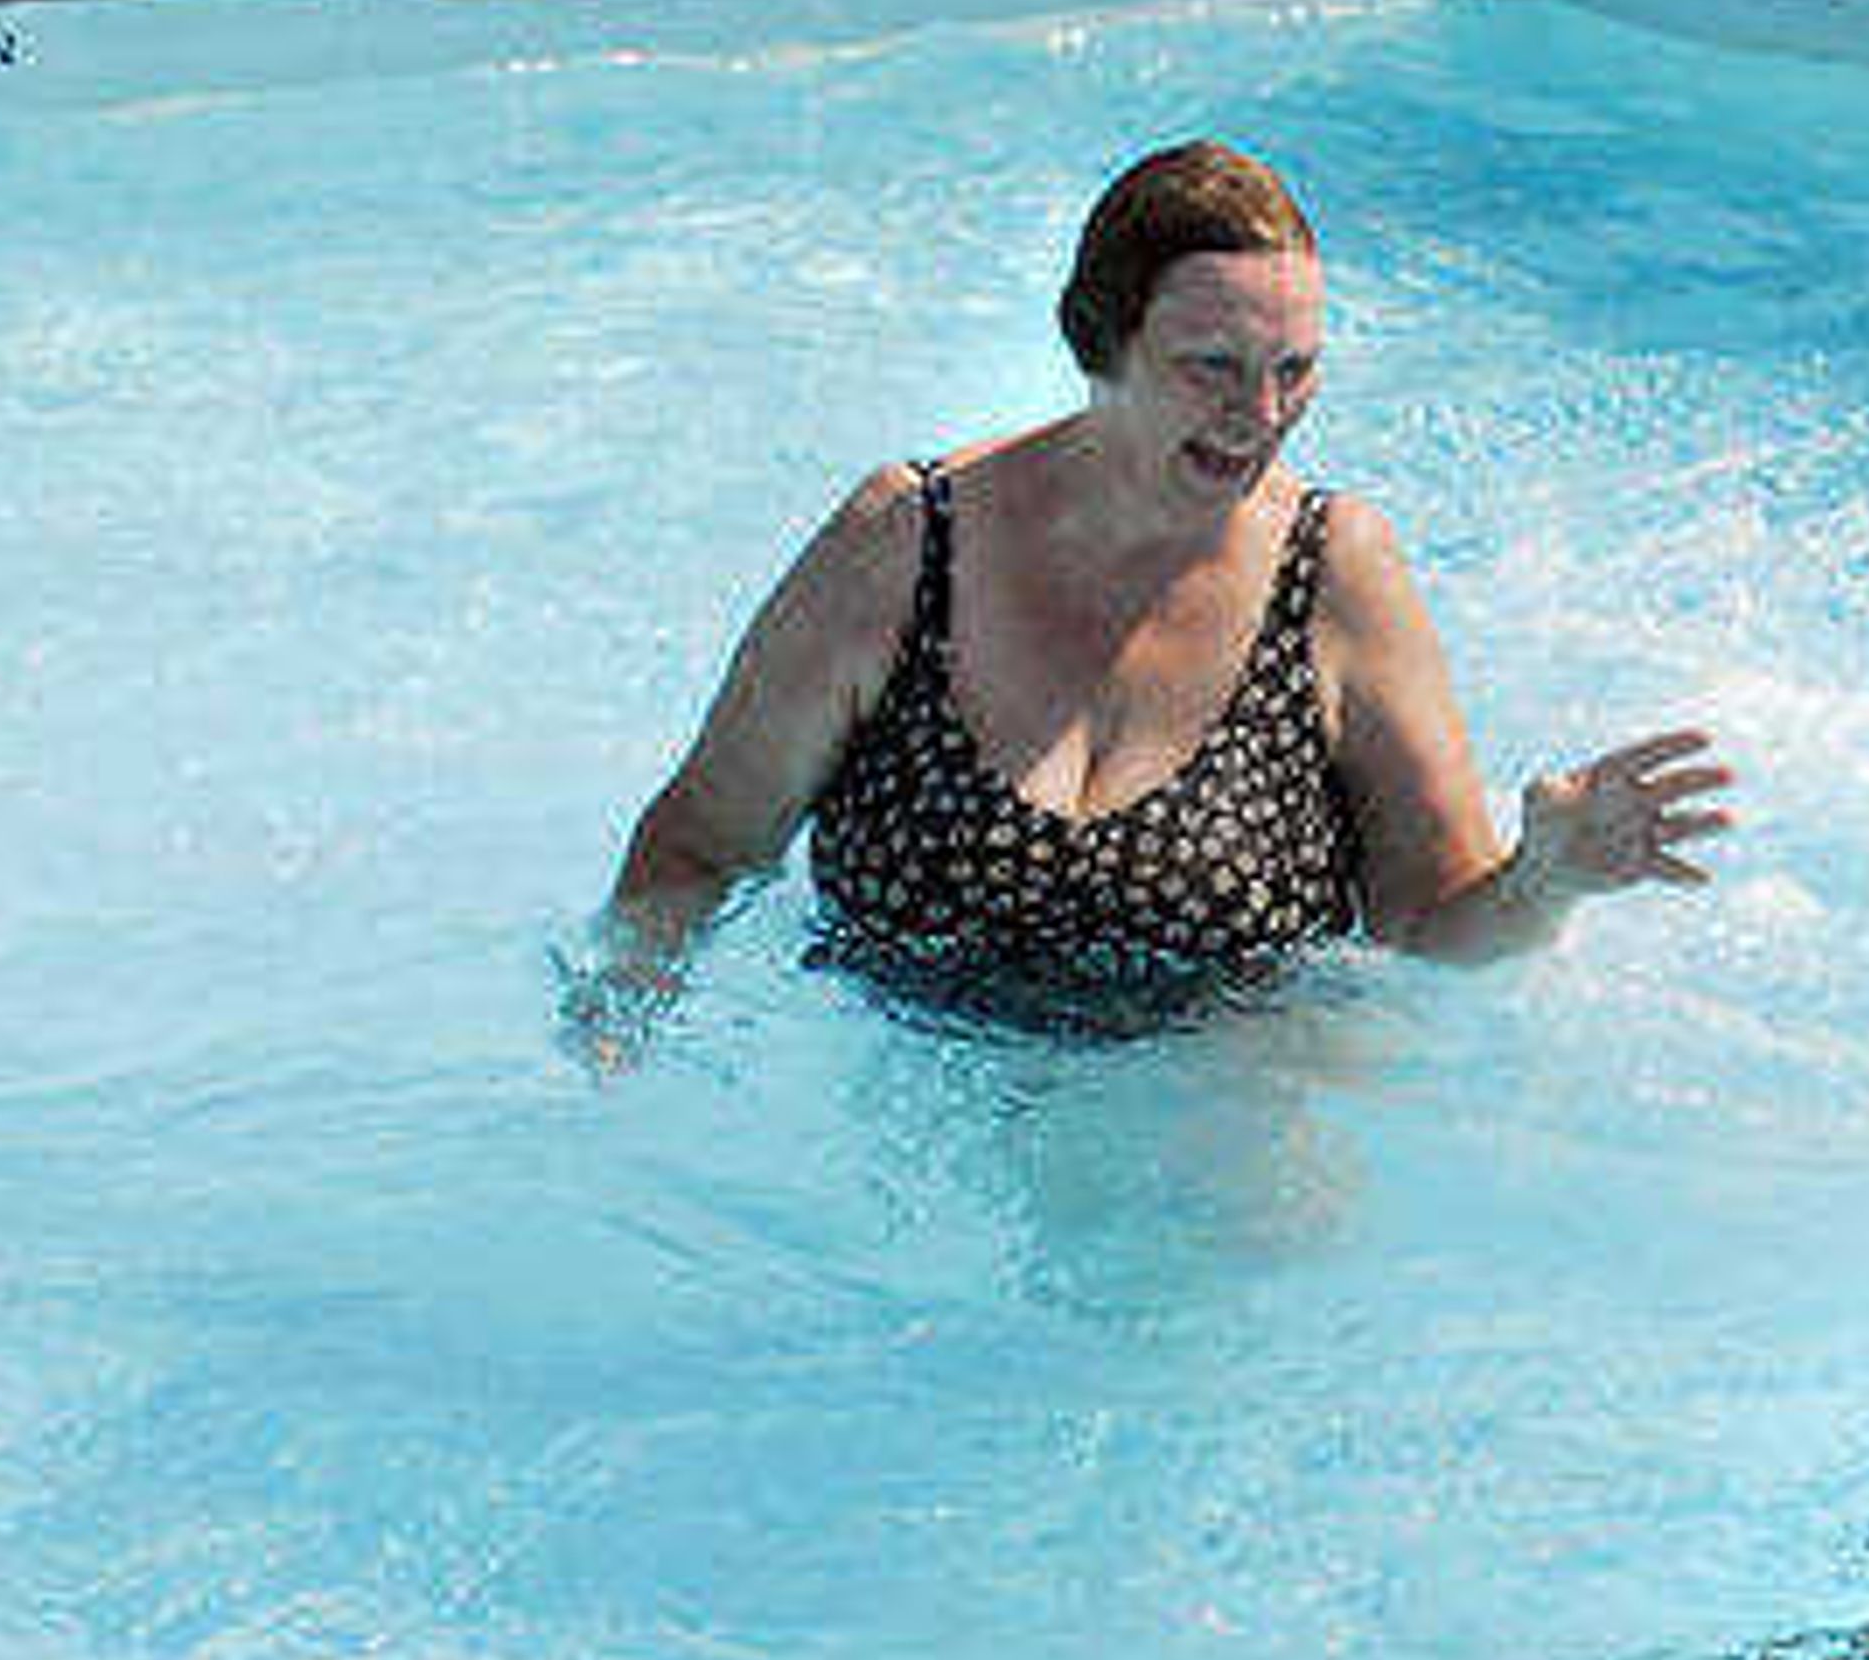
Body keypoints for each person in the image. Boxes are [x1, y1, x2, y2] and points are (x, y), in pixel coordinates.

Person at [598, 141, 1731, 1022]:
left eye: (1296, 370)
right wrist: (613, 1027)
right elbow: (701, 841)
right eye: (1214, 368)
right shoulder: (904, 544)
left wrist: (1546, 881)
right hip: (909, 1098)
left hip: (1220, 1106)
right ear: (1100, 344)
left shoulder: (1336, 569)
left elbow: (1429, 923)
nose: (1264, 413)